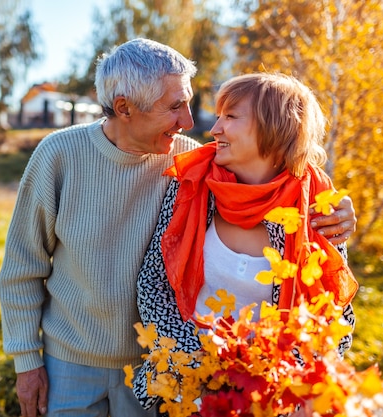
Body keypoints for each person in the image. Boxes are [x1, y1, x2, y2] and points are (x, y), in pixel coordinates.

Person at [0, 39, 356, 417]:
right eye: (174, 107)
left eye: (188, 103)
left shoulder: (192, 161)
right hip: (71, 361)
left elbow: (282, 179)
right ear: (124, 108)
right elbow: (23, 266)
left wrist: (340, 211)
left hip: (156, 368)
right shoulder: (61, 156)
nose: (190, 122)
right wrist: (26, 361)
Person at [133, 72, 359, 414]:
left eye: (231, 116)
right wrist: (205, 363)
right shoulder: (192, 185)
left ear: (274, 127)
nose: (215, 129)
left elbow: (334, 320)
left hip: (275, 401)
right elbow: (153, 284)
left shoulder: (317, 207)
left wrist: (271, 379)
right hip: (190, 394)